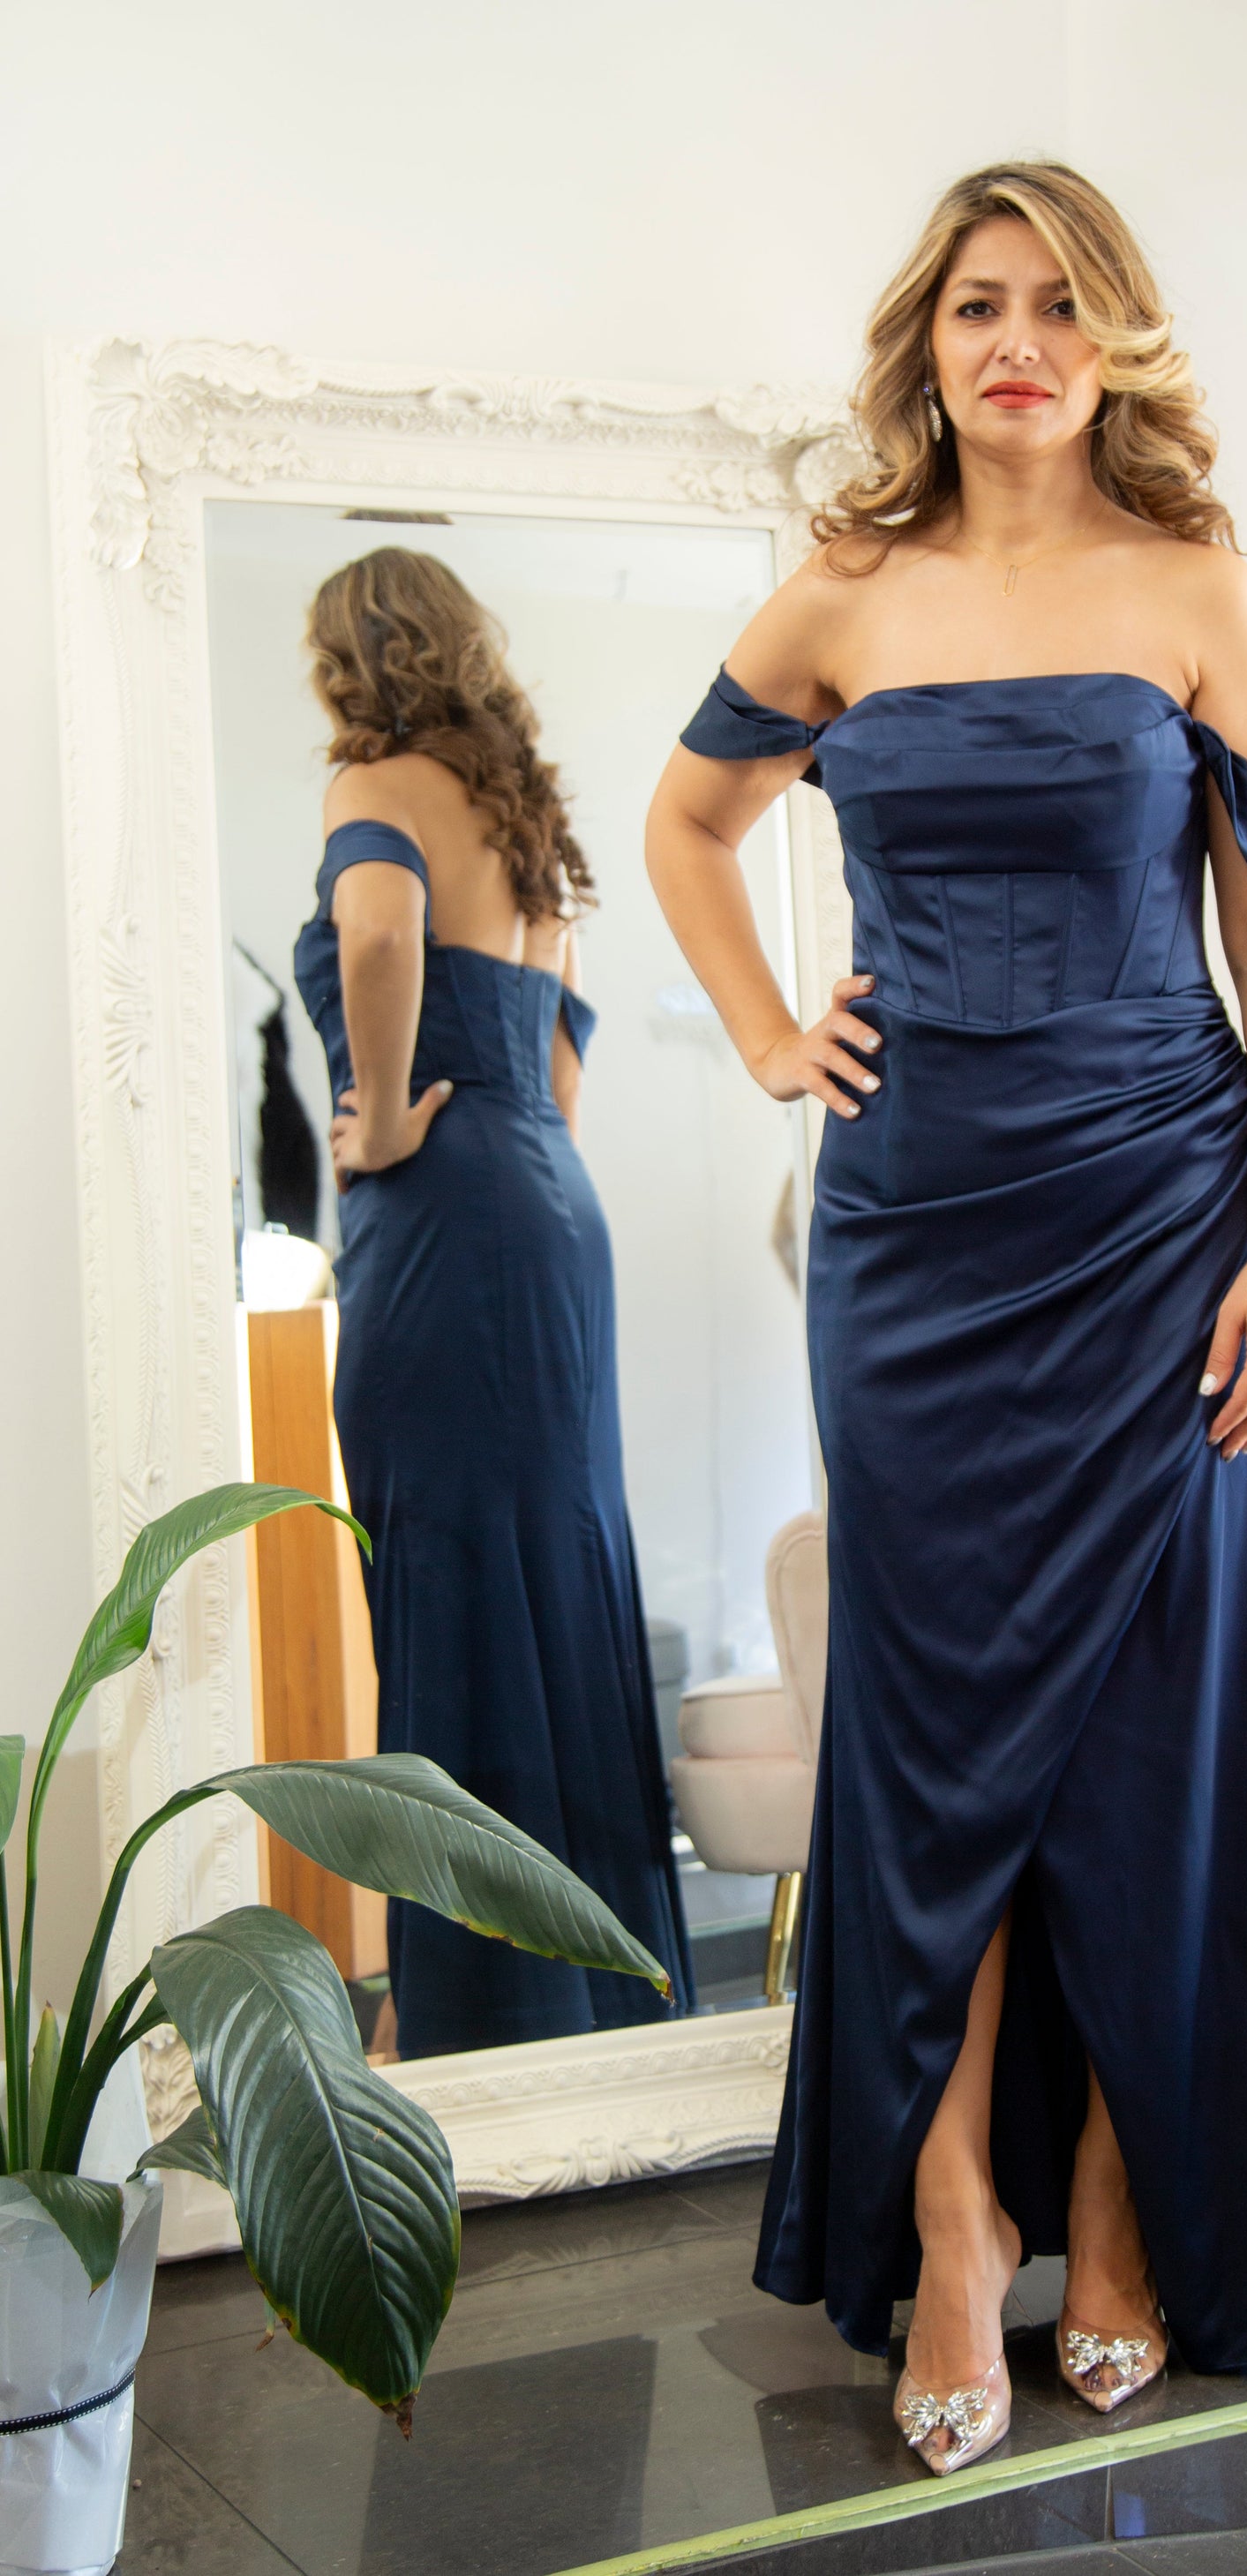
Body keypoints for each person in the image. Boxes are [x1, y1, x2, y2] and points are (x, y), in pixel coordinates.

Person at [645, 161, 1247, 2475]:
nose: (1016, 338)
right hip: (919, 1242)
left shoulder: (1198, 590)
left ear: (1113, 339)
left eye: (1057, 303)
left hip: (1163, 1221)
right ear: (927, 340)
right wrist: (773, 1037)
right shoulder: (843, 593)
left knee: (1147, 1748)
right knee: (931, 1750)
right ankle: (949, 2220)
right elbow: (684, 822)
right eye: (977, 303)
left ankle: (1118, 2197)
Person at [293, 546, 693, 2059]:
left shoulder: (371, 785)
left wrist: (387, 1118)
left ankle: (471, 2014)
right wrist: (506, 1150)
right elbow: (563, 1056)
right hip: (545, 1210)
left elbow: (380, 935)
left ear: (353, 658)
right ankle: (590, 1991)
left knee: (449, 1581)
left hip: (443, 1213)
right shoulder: (524, 821)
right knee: (560, 1580)